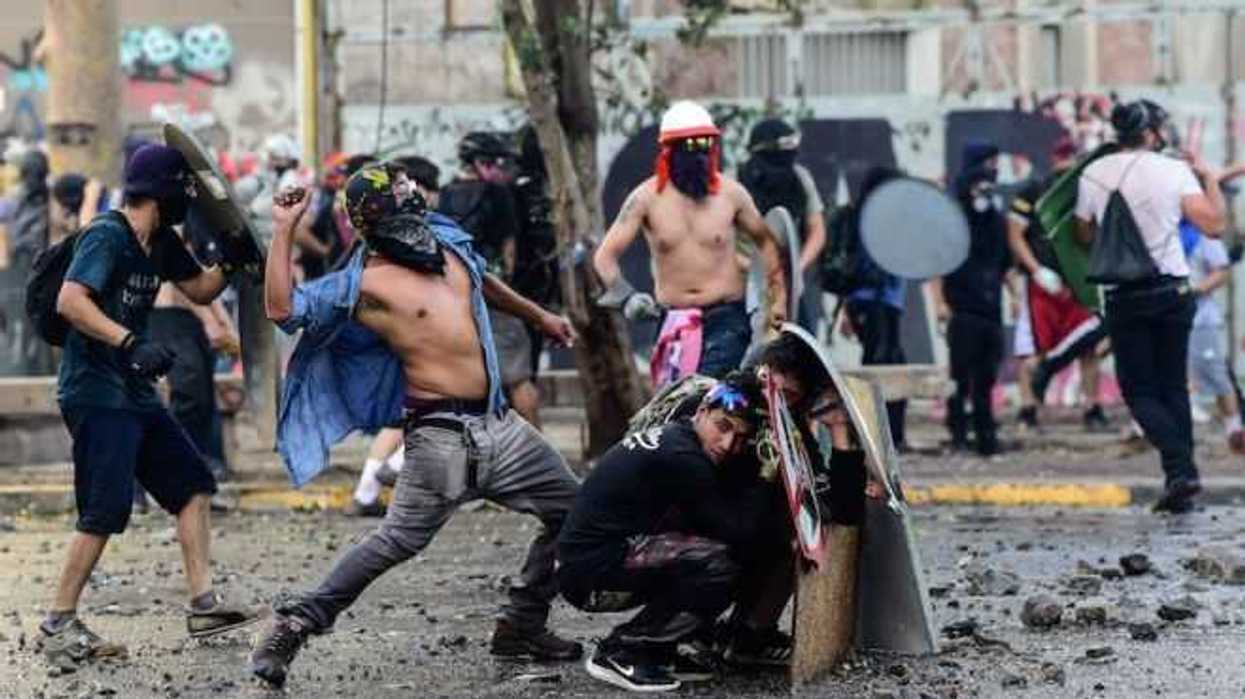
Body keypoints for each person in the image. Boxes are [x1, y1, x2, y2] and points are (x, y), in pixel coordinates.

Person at [249, 163, 582, 689]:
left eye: (409, 188)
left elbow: (480, 278)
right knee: (395, 541)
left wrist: (539, 317)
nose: (414, 197)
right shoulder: (365, 284)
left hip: (501, 426)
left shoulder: (447, 243)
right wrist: (284, 228)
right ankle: (295, 621)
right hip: (440, 437)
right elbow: (282, 308)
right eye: (400, 193)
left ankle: (522, 623)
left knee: (573, 510)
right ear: (378, 216)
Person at [38, 144, 258, 667]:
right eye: (183, 191)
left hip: (132, 392)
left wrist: (231, 258)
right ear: (161, 192)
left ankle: (204, 603)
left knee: (193, 486)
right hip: (94, 391)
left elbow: (201, 290)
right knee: (105, 510)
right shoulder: (108, 236)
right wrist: (129, 343)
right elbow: (71, 302)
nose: (189, 200)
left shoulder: (160, 241)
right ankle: (58, 623)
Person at [557, 372, 769, 692]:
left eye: (741, 438)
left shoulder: (680, 436)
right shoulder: (682, 457)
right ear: (701, 412)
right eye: (722, 427)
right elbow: (739, 531)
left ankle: (659, 650)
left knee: (714, 550)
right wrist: (767, 473)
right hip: (588, 575)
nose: (728, 445)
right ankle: (622, 650)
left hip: (599, 559)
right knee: (721, 561)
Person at [1075, 99, 1227, 513]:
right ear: (1152, 132)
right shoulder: (1174, 171)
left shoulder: (1094, 172)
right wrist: (1210, 179)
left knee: (1139, 389)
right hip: (1174, 292)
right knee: (1172, 386)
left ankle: (1179, 470)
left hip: (1126, 296)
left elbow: (1084, 234)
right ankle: (1182, 475)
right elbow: (1214, 224)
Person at [594, 100, 788, 387]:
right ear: (668, 151)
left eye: (704, 145)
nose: (697, 154)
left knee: (707, 395)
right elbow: (604, 257)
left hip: (727, 320)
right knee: (677, 408)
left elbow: (768, 243)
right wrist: (627, 296)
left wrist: (776, 301)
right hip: (673, 323)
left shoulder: (732, 194)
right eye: (688, 146)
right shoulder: (645, 198)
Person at [438, 132, 544, 427]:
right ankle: (539, 452)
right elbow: (509, 253)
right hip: (493, 296)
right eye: (495, 162)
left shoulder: (444, 195)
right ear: (480, 162)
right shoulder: (499, 195)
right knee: (519, 379)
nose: (501, 168)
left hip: (451, 300)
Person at [1008, 136, 1109, 432]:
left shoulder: (1086, 191)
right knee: (1032, 349)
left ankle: (1093, 407)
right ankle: (1027, 410)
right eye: (1062, 159)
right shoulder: (1033, 190)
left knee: (1087, 346)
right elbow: (1014, 235)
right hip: (1041, 284)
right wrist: (1036, 270)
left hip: (1078, 283)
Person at [930, 140, 1012, 456]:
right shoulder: (952, 216)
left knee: (986, 378)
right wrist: (940, 303)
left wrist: (1014, 295)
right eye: (988, 165)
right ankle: (959, 432)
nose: (992, 173)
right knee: (960, 378)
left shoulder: (994, 216)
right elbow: (937, 263)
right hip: (962, 308)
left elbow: (1002, 263)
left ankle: (985, 434)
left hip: (990, 307)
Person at [839, 166, 910, 450]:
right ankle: (884, 436)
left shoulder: (877, 218)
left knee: (887, 364)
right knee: (883, 368)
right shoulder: (871, 220)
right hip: (875, 303)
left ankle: (888, 434)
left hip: (880, 303)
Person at [738, 118, 827, 332]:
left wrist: (798, 267)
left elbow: (817, 230)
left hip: (792, 288)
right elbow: (722, 244)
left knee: (803, 353)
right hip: (746, 291)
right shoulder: (738, 184)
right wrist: (758, 271)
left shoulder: (800, 178)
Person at [1184, 224, 1244, 453]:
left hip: (1201, 319)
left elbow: (1222, 270)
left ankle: (1234, 430)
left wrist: (1195, 291)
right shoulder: (1162, 235)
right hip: (1169, 319)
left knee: (1215, 375)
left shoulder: (1203, 237)